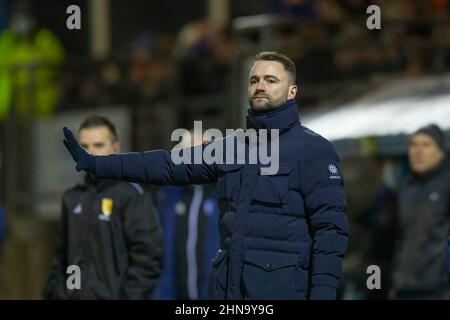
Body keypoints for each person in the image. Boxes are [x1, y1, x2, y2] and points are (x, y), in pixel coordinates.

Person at [62, 52, 349, 300]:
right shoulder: (232, 147)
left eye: (271, 80)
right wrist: (97, 164)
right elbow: (166, 165)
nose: (260, 86)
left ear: (292, 91)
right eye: (254, 80)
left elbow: (330, 232)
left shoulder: (314, 151)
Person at [44, 115, 163, 299]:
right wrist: (57, 292)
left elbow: (148, 258)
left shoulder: (132, 196)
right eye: (84, 146)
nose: (90, 152)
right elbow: (61, 258)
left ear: (116, 147)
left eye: (99, 145)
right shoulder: (72, 198)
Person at [390, 124, 450, 300]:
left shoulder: (447, 184)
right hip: (404, 289)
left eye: (426, 145)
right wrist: (375, 284)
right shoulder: (404, 188)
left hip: (439, 290)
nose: (418, 151)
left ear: (440, 152)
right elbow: (389, 242)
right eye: (413, 145)